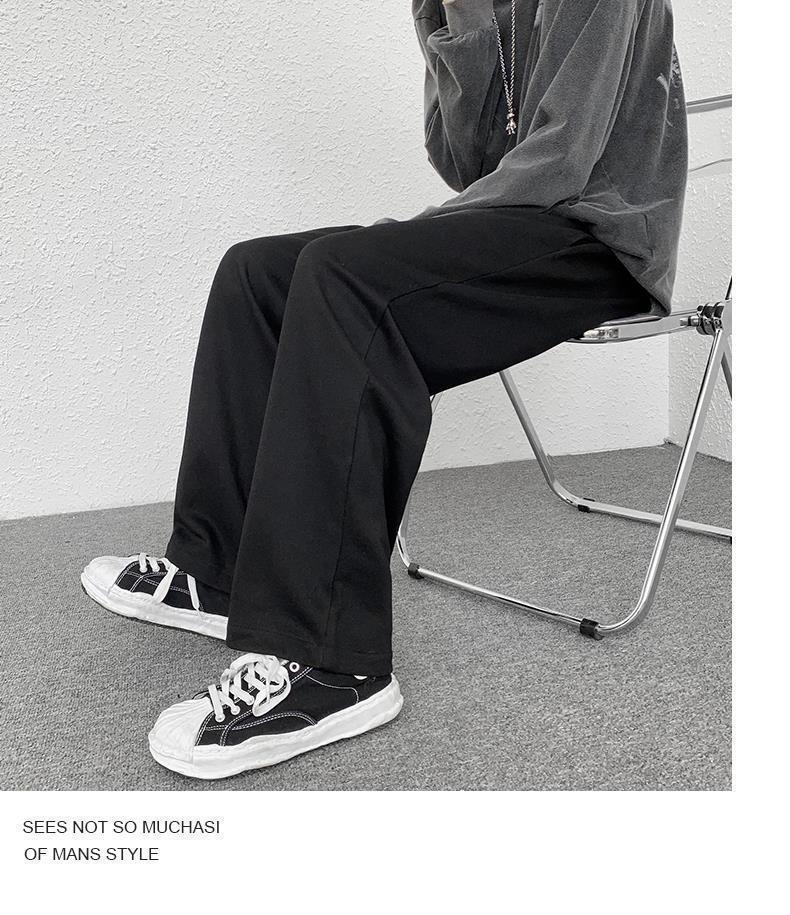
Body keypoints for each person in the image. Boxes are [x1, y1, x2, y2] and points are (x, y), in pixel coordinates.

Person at [81, 0, 687, 780]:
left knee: (343, 279)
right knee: (255, 272)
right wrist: (452, 19)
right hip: (522, 216)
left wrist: (416, 233)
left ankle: (336, 661)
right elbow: (464, 157)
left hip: (600, 237)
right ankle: (216, 569)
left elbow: (564, 157)